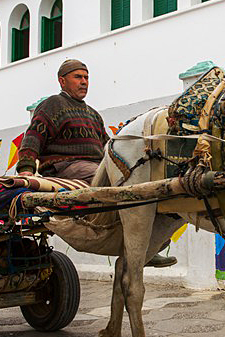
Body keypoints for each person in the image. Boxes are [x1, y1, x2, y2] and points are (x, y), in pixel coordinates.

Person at [17, 59, 176, 268]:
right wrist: (26, 170)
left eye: (86, 77)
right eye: (78, 77)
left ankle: (146, 246)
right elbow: (33, 137)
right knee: (116, 183)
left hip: (94, 165)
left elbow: (107, 147)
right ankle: (140, 246)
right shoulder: (52, 104)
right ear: (62, 81)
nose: (84, 82)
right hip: (65, 166)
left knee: (138, 181)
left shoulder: (93, 114)